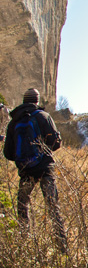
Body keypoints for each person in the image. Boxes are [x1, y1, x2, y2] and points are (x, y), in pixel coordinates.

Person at [3, 88, 66, 249]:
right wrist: (42, 151)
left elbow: (8, 153)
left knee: (23, 205)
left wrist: (25, 159)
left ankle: (25, 242)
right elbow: (56, 143)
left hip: (25, 171)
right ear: (37, 101)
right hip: (45, 168)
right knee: (53, 206)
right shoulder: (43, 116)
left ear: (24, 101)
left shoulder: (14, 122)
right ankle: (62, 247)